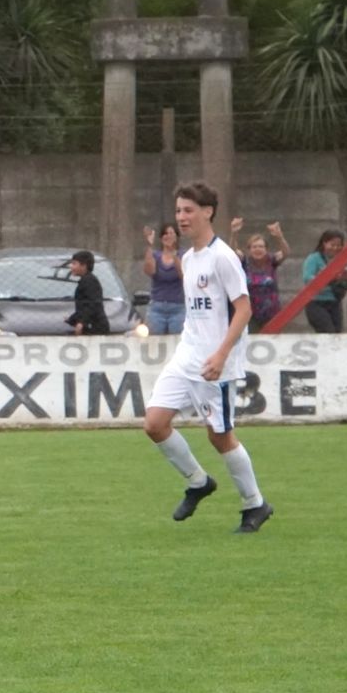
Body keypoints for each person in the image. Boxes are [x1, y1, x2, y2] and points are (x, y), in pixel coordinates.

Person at [141, 181, 272, 534]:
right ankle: (199, 482)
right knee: (154, 424)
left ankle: (254, 504)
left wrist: (221, 354)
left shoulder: (223, 257)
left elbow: (243, 309)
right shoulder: (189, 258)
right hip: (187, 356)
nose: (181, 217)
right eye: (179, 210)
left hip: (217, 363)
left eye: (188, 210)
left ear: (208, 212)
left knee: (220, 437)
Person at [228, 218, 290, 330]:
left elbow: (286, 252)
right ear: (249, 249)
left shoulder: (271, 260)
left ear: (266, 249)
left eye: (261, 247)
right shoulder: (244, 261)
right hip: (249, 313)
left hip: (272, 312)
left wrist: (279, 236)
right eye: (254, 247)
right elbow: (232, 251)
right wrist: (234, 233)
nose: (258, 249)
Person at [302, 229, 347, 333]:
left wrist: (344, 278)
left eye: (339, 245)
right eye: (332, 245)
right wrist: (325, 278)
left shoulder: (341, 260)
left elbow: (345, 282)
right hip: (316, 302)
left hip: (335, 302)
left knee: (337, 335)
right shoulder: (314, 258)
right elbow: (307, 278)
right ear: (324, 243)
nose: (335, 248)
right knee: (328, 332)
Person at [141, 222, 185, 335]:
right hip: (157, 307)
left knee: (177, 340)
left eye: (171, 233)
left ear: (177, 237)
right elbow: (149, 271)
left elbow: (183, 275)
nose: (168, 236)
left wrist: (173, 254)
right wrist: (149, 245)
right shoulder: (155, 255)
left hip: (178, 307)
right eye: (165, 233)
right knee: (153, 342)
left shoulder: (183, 255)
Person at [65, 250, 110, 335]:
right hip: (92, 325)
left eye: (74, 264)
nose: (71, 267)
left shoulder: (89, 281)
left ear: (84, 265)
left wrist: (82, 322)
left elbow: (93, 304)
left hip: (95, 328)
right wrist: (72, 319)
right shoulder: (85, 280)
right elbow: (84, 306)